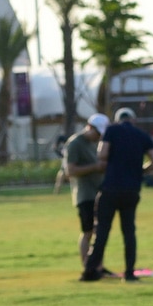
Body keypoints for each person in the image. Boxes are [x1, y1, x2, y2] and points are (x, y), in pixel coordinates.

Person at [83, 108, 153, 282]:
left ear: (117, 120)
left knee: (101, 231)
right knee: (129, 232)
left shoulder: (111, 130)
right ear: (133, 120)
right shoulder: (142, 135)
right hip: (132, 190)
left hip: (111, 188)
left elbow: (102, 154)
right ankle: (130, 272)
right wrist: (140, 171)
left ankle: (90, 271)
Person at [62, 114, 108, 270]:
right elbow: (70, 171)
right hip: (85, 195)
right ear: (89, 127)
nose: (99, 136)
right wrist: (95, 167)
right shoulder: (75, 143)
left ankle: (98, 266)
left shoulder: (95, 143)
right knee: (87, 232)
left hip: (98, 193)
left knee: (98, 233)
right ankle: (87, 266)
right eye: (98, 133)